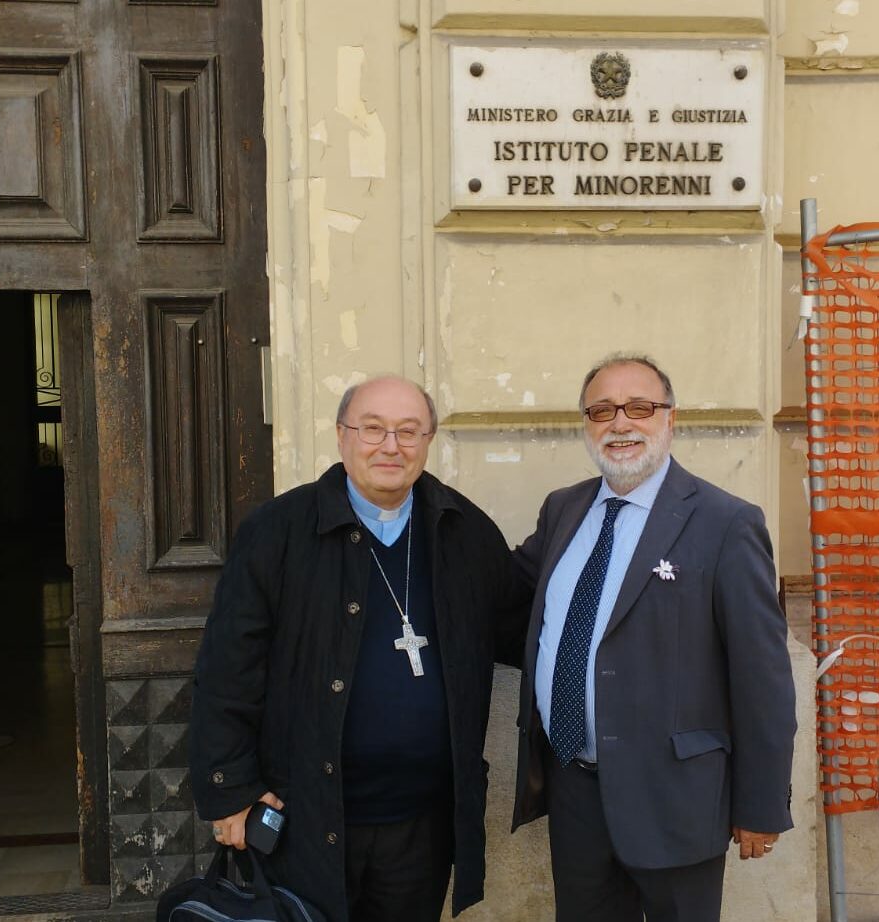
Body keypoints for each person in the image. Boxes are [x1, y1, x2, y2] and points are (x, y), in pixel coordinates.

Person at [190, 375, 526, 922]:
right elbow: (228, 668)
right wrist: (229, 789)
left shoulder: (463, 530)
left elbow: (524, 626)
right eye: (373, 429)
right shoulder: (277, 531)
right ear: (342, 435)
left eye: (408, 431)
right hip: (306, 815)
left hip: (422, 823)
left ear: (428, 440)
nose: (391, 446)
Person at [511, 354, 796, 922]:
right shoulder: (563, 509)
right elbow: (511, 593)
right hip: (576, 790)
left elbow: (762, 677)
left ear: (670, 418)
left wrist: (761, 803)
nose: (620, 423)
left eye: (639, 407)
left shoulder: (726, 522)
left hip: (676, 799)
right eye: (602, 410)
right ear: (586, 424)